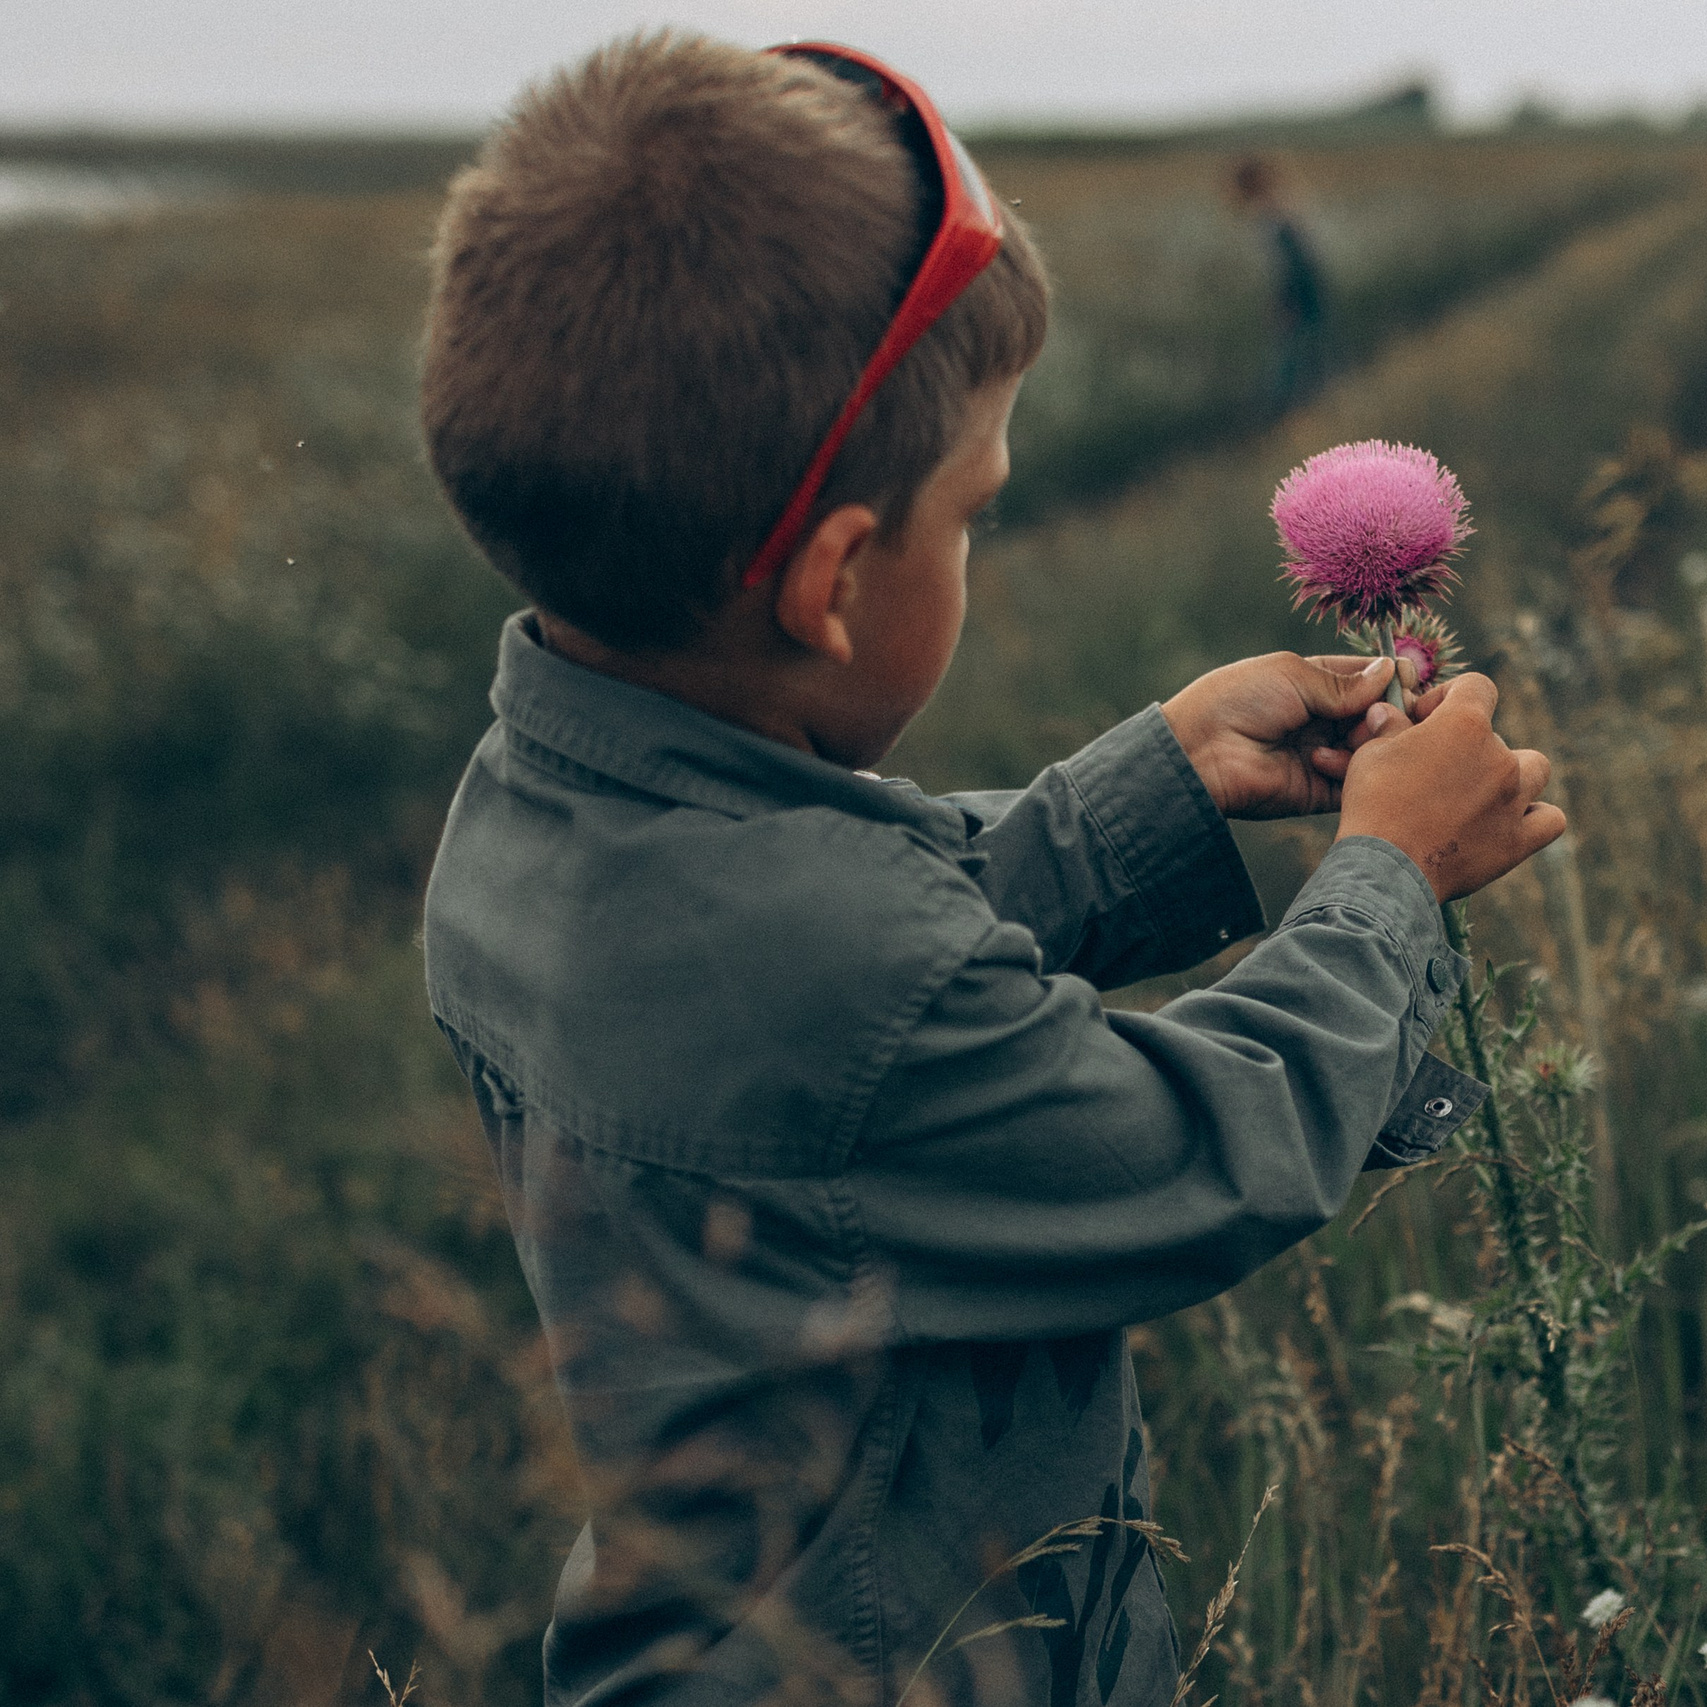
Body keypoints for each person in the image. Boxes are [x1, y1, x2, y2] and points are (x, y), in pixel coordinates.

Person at [415, 31, 1564, 1707]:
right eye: (972, 511)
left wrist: (1161, 779)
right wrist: (1390, 874)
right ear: (833, 582)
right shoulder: (831, 962)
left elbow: (871, 961)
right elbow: (1199, 1147)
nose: (977, 541)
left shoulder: (534, 807)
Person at [1230, 154, 1332, 414]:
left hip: (1297, 291)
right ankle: (1309, 405)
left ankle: (1286, 411)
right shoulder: (1282, 208)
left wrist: (1285, 301)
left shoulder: (1271, 214)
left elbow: (1289, 263)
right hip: (1307, 287)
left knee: (1293, 352)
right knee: (1309, 348)